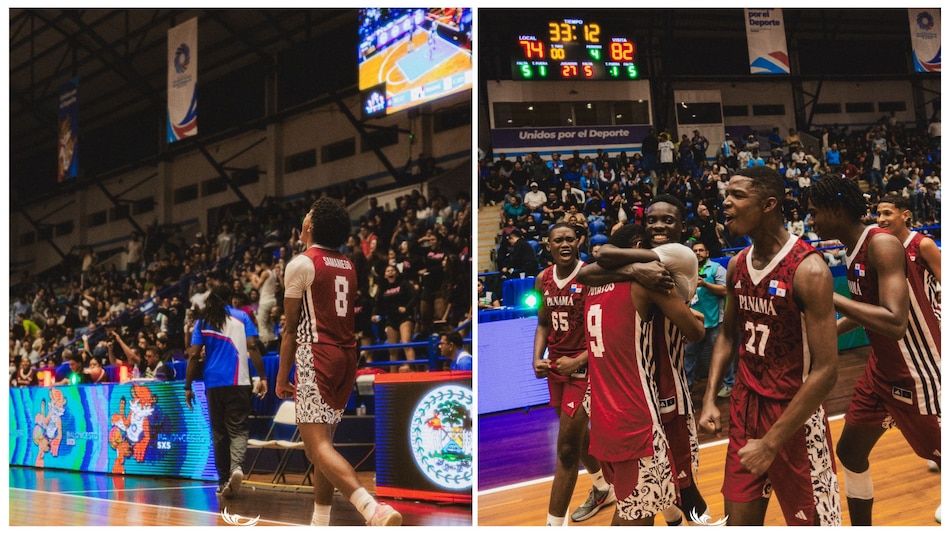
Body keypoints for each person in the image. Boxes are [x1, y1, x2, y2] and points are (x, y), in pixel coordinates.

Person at [698, 166, 841, 526]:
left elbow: (826, 370)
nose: (725, 203)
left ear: (768, 204)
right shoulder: (736, 265)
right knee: (739, 523)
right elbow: (729, 336)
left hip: (795, 418)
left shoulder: (808, 269)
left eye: (737, 196)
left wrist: (772, 442)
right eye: (725, 195)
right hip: (747, 410)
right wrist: (710, 398)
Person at [805, 177, 941, 525]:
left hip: (920, 373)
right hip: (881, 370)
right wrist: (828, 335)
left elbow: (894, 321)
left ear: (836, 211)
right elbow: (866, 307)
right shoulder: (853, 248)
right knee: (850, 452)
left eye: (815, 212)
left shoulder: (881, 245)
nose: (811, 221)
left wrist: (825, 294)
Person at [579, 195, 709, 525]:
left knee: (674, 480)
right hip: (645, 393)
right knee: (662, 484)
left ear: (683, 227)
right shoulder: (641, 275)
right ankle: (685, 517)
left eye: (667, 220)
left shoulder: (678, 255)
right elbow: (591, 271)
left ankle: (685, 517)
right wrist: (637, 269)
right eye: (652, 220)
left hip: (663, 383)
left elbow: (597, 265)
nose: (658, 226)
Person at [275, 197, 402, 527]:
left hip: (317, 353)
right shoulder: (347, 263)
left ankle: (372, 509)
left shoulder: (301, 263)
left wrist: (280, 376)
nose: (303, 216)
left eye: (307, 214)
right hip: (346, 355)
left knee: (316, 448)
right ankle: (320, 522)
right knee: (324, 448)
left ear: (311, 226)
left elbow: (290, 328)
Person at [532, 223, 613, 526]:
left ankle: (553, 525)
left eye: (570, 239)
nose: (565, 244)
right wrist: (536, 356)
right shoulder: (543, 280)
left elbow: (605, 329)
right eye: (558, 240)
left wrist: (579, 361)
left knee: (565, 448)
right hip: (556, 369)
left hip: (586, 369)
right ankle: (604, 486)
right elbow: (543, 323)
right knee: (577, 439)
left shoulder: (591, 276)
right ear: (548, 245)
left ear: (579, 241)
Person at [186, 283, 268, 498]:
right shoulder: (242, 316)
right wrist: (263, 377)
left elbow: (194, 355)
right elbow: (252, 346)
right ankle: (237, 468)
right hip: (239, 381)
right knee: (238, 429)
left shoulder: (202, 321)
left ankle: (223, 481)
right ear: (231, 299)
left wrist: (187, 386)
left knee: (219, 434)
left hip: (213, 384)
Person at [875, 193, 941, 319]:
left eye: (887, 213)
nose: (880, 219)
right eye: (878, 214)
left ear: (905, 215)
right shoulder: (878, 249)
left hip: (930, 323)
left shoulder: (923, 244)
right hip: (895, 328)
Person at [686, 241, 729, 395]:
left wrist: (705, 284)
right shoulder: (688, 270)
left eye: (701, 250)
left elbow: (725, 290)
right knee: (688, 353)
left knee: (721, 353)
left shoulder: (717, 269)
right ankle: (687, 386)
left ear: (707, 253)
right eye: (695, 250)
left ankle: (728, 384)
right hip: (695, 321)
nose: (698, 253)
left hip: (715, 319)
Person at [372, 265, 418, 372]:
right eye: (387, 271)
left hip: (405, 317)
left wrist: (406, 308)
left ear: (396, 273)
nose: (390, 272)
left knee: (406, 343)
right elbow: (377, 304)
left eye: (392, 270)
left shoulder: (404, 284)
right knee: (392, 350)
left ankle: (414, 371)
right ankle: (393, 375)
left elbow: (415, 295)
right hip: (391, 319)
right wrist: (374, 315)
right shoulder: (383, 288)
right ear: (384, 275)